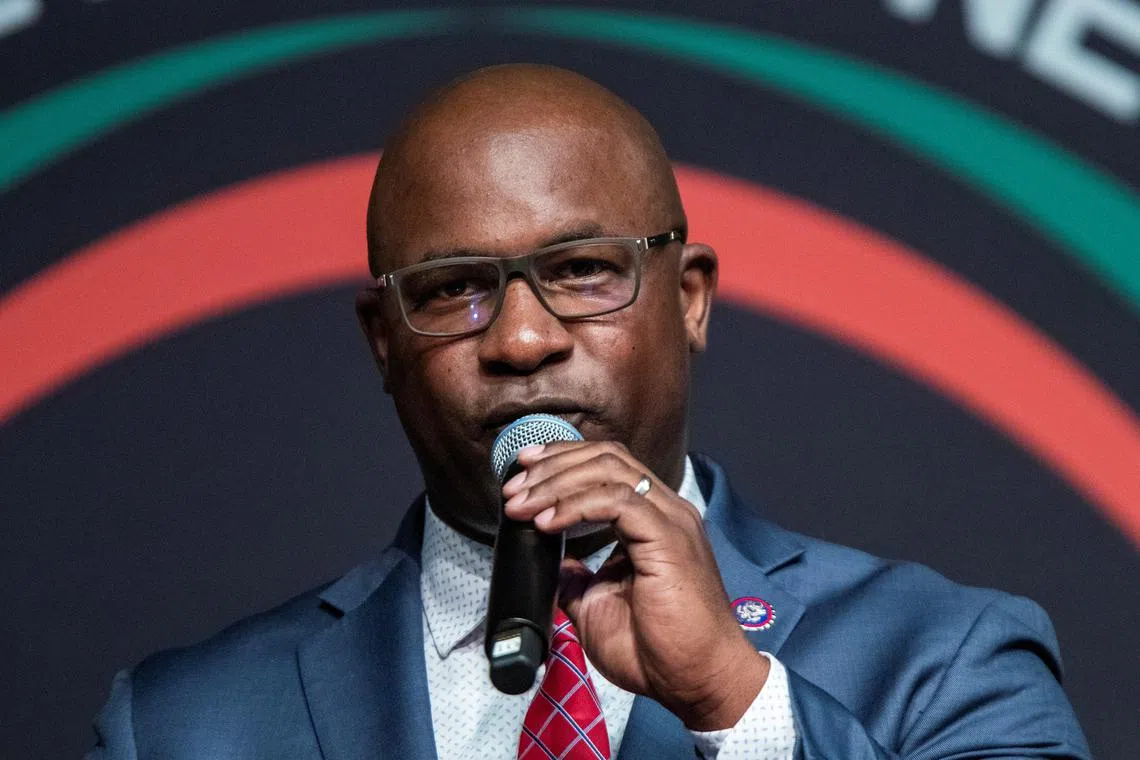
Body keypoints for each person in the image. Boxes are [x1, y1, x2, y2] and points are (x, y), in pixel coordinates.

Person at [86, 64, 1090, 759]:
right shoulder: (182, 724)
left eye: (580, 270)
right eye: (451, 289)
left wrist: (739, 705)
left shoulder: (944, 658)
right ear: (383, 340)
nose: (521, 340)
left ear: (688, 297)